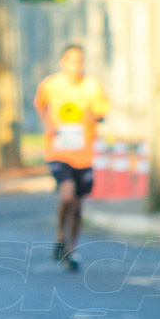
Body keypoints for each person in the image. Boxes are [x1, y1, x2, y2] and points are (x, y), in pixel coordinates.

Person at [33, 43, 109, 272]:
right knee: (66, 195)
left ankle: (71, 247)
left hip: (84, 154)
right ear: (62, 63)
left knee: (77, 205)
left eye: (79, 61)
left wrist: (93, 115)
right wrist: (48, 125)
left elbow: (102, 113)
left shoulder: (91, 86)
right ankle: (59, 236)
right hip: (58, 151)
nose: (75, 66)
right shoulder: (51, 85)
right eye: (71, 60)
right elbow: (40, 105)